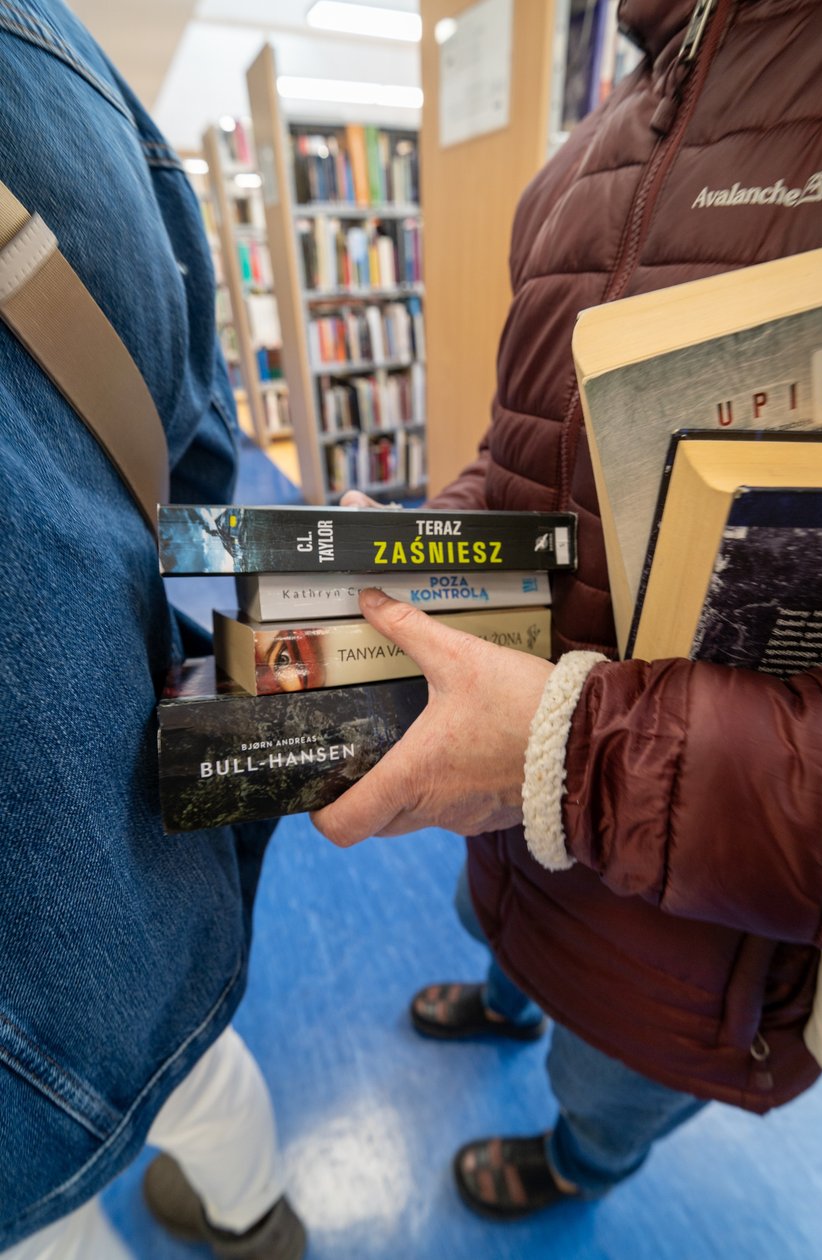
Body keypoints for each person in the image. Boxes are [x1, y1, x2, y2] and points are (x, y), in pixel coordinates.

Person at [312, 0, 822, 1218]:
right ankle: (505, 1001)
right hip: (512, 832)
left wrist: (572, 751)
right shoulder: (582, 156)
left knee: (604, 1089)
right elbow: (518, 453)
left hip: (690, 920)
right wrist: (426, 548)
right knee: (499, 932)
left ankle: (573, 1167)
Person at [0, 3, 304, 1256]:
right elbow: (200, 487)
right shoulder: (57, 61)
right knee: (198, 1072)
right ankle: (258, 1221)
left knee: (49, 1228)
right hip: (140, 850)